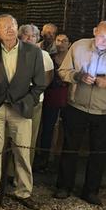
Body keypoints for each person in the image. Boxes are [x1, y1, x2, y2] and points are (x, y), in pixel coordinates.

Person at [55, 20, 106, 206]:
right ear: (94, 32)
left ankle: (91, 191)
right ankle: (64, 186)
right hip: (77, 107)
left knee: (98, 153)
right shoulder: (78, 46)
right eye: (101, 36)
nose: (104, 41)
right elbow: (63, 71)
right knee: (70, 148)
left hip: (105, 111)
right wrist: (78, 76)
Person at [0, 14, 46, 209]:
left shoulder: (33, 52)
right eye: (5, 26)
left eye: (13, 25)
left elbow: (40, 84)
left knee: (22, 151)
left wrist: (27, 102)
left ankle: (24, 192)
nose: (10, 29)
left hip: (21, 108)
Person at [17, 24, 54, 167]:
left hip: (34, 102)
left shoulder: (44, 56)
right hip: (13, 100)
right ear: (20, 36)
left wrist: (31, 96)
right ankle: (6, 172)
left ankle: (23, 172)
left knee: (29, 139)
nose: (29, 38)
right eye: (26, 34)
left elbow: (47, 80)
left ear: (37, 38)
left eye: (33, 36)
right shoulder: (12, 53)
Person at [36, 33, 71, 171]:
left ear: (69, 43)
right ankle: (45, 157)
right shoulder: (50, 59)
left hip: (68, 98)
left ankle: (61, 158)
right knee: (48, 128)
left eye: (64, 40)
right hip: (52, 97)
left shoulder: (75, 61)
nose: (61, 43)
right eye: (58, 40)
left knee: (68, 129)